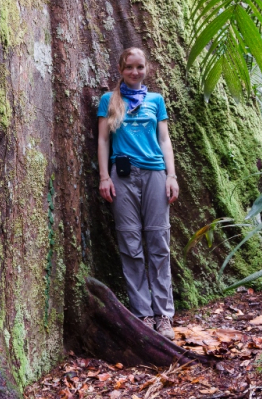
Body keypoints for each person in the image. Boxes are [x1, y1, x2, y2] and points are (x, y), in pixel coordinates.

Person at [97, 47, 179, 340]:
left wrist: (171, 175)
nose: (135, 72)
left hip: (155, 174)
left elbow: (165, 140)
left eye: (140, 67)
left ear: (147, 69)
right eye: (129, 67)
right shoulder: (109, 100)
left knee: (158, 240)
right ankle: (143, 314)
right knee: (130, 242)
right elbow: (103, 140)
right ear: (121, 69)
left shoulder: (156, 100)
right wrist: (104, 176)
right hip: (122, 178)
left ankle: (164, 316)